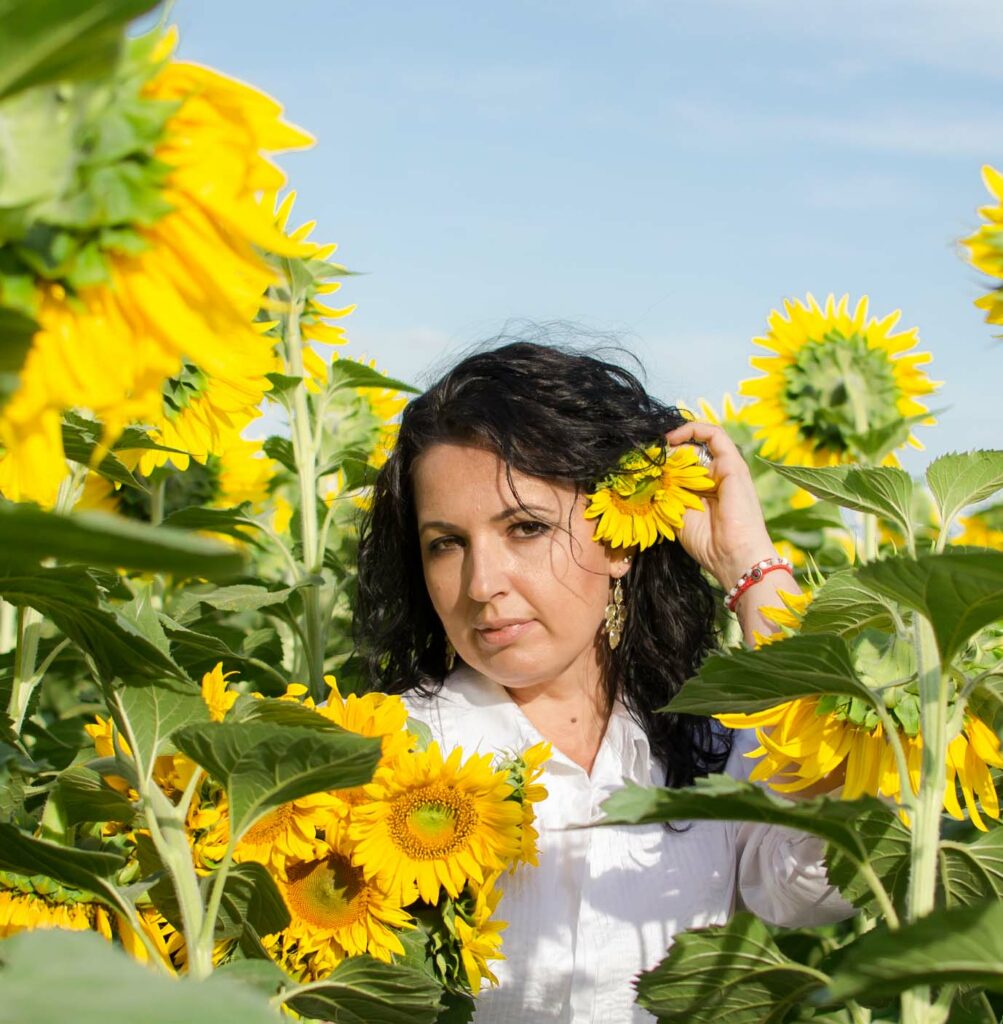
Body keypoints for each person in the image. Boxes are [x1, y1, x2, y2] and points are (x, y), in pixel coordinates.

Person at [355, 341, 851, 1024]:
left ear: (617, 539)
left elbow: (825, 885)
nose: (481, 584)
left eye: (525, 528)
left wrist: (750, 567)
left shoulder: (707, 739)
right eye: (447, 542)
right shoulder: (383, 752)